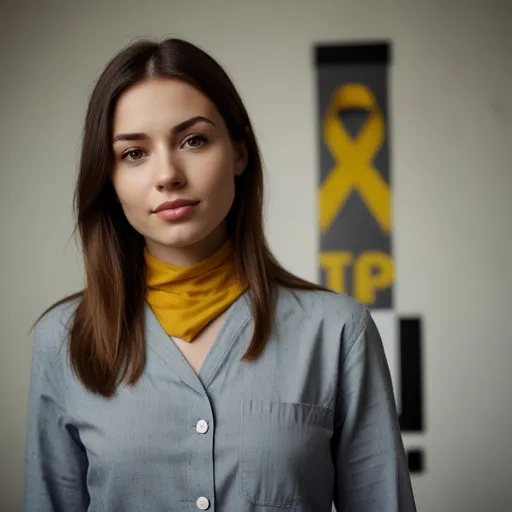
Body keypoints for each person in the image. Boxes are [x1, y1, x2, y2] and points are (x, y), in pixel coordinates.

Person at [23, 37, 417, 512]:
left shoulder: (336, 330)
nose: (167, 174)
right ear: (109, 179)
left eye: (193, 140)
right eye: (134, 153)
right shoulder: (63, 340)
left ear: (239, 153)